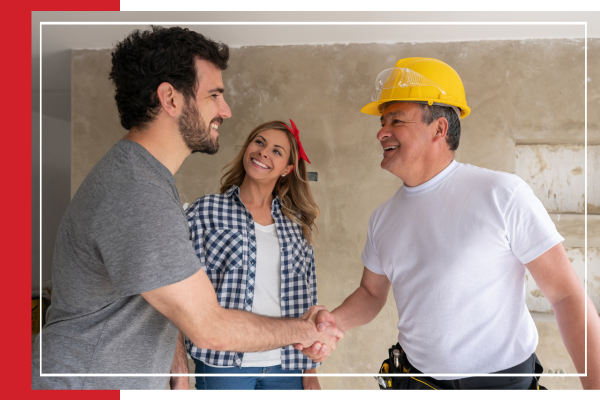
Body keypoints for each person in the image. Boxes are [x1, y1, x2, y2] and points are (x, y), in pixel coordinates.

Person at [31, 26, 340, 391]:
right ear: (171, 99)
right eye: (214, 95)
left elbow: (167, 301)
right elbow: (209, 327)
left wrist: (173, 362)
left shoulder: (147, 181)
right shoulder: (138, 192)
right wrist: (306, 330)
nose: (225, 110)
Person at [297, 57, 600, 390]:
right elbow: (371, 293)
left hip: (501, 383)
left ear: (439, 128)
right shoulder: (383, 217)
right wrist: (331, 323)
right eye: (382, 122)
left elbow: (565, 296)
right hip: (417, 379)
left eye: (396, 120)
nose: (382, 132)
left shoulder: (501, 193)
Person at [181, 120, 322, 390]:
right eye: (259, 142)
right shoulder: (205, 211)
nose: (264, 152)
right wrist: (179, 374)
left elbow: (309, 298)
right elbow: (180, 292)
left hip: (287, 363)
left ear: (287, 169)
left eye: (277, 151)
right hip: (222, 363)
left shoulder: (296, 223)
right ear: (247, 148)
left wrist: (311, 370)